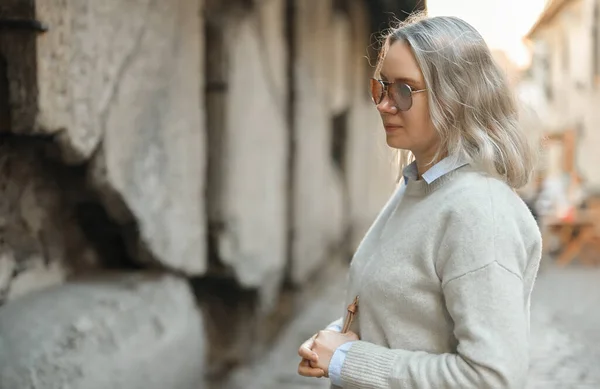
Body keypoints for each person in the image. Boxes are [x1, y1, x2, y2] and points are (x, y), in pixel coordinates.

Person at [297, 13, 542, 389]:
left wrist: (347, 359)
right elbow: (404, 314)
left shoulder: (478, 213)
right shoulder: (419, 186)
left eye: (405, 90)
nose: (384, 104)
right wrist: (332, 341)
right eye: (382, 86)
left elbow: (492, 377)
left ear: (456, 96)